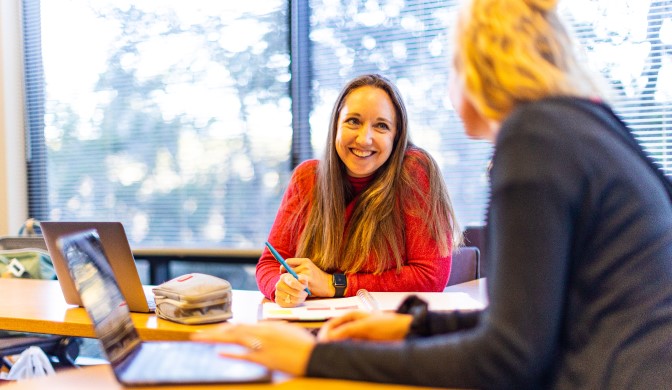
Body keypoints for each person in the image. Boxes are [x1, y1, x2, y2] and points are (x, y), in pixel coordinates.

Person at [193, 0, 672, 388]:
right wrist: (412, 327)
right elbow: (529, 324)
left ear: (477, 68)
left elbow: (507, 358)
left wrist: (316, 358)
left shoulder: (534, 140)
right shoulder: (585, 125)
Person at [256, 74, 461, 307]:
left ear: (397, 136)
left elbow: (430, 277)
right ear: (336, 125)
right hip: (315, 325)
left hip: (386, 330)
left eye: (381, 126)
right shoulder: (307, 177)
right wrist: (280, 287)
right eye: (353, 121)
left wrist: (335, 284)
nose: (364, 139)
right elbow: (269, 264)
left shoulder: (414, 171)